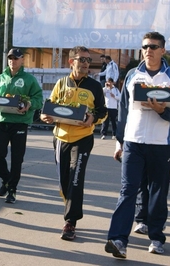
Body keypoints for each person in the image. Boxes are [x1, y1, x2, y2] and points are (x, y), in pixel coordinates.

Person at [105, 31, 170, 258]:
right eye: (145, 47)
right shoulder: (132, 75)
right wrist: (119, 142)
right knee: (127, 190)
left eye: (153, 46)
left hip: (162, 143)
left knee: (158, 192)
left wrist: (162, 111)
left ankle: (156, 237)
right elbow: (122, 112)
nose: (148, 50)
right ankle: (118, 239)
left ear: (163, 50)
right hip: (133, 142)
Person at [40, 46, 107, 241]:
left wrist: (92, 118)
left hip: (83, 138)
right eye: (82, 60)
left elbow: (103, 112)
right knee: (64, 182)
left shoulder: (94, 87)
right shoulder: (61, 83)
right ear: (71, 62)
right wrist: (46, 116)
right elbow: (50, 106)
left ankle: (70, 222)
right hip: (61, 138)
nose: (86, 63)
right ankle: (70, 205)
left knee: (76, 179)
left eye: (88, 60)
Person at [0, 48, 43, 204]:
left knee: (17, 159)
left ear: (22, 61)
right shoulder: (0, 78)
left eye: (16, 58)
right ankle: (6, 180)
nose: (12, 61)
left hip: (20, 123)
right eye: (10, 58)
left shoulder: (29, 79)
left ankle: (12, 189)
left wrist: (29, 104)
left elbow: (39, 99)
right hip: (2, 121)